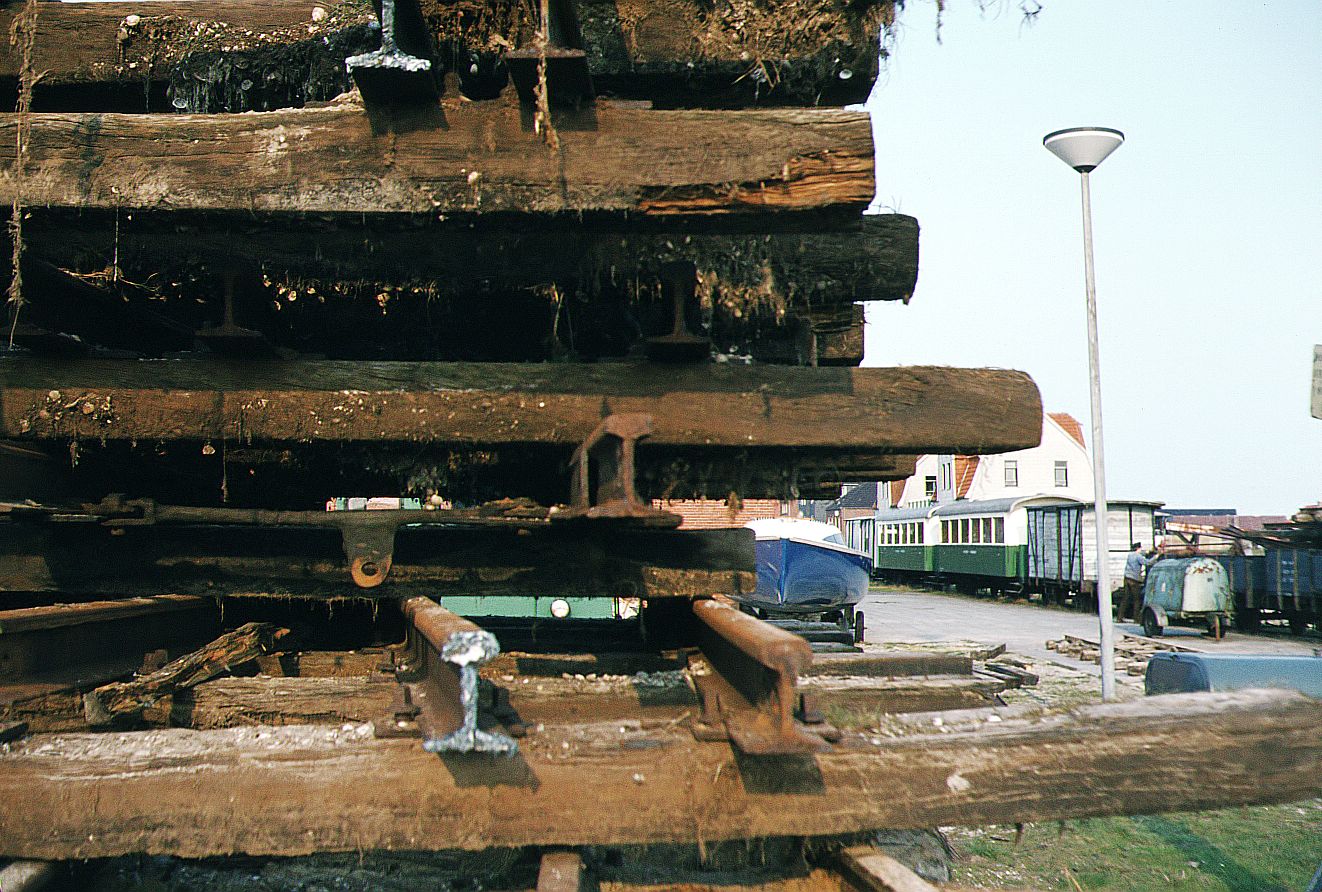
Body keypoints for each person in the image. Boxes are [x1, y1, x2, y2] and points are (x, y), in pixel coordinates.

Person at [1119, 541, 1157, 622]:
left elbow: (1141, 555)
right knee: (1137, 599)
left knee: (1125, 598)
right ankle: (1136, 618)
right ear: (1138, 548)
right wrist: (1156, 556)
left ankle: (1119, 617)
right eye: (1140, 548)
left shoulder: (1130, 555)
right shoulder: (1138, 557)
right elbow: (1148, 562)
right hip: (1134, 580)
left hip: (1127, 578)